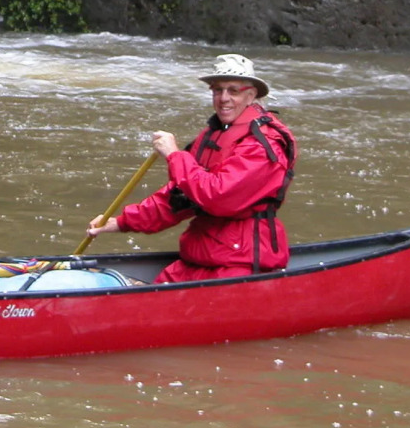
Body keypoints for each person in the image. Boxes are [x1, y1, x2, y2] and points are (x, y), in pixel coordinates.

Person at [86, 53, 297, 282]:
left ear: (251, 95)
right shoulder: (213, 135)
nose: (224, 98)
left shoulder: (263, 145)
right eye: (217, 90)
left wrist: (175, 156)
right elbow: (179, 198)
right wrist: (121, 222)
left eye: (233, 91)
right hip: (199, 256)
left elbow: (217, 196)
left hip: (240, 263)